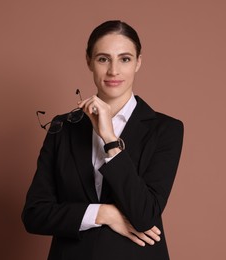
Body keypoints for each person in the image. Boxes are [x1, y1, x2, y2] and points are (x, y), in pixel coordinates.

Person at [22, 20, 184, 260]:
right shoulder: (62, 127)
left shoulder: (165, 129)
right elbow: (35, 215)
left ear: (138, 62)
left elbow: (145, 215)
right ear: (89, 61)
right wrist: (102, 213)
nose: (113, 71)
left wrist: (110, 139)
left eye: (125, 59)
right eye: (103, 59)